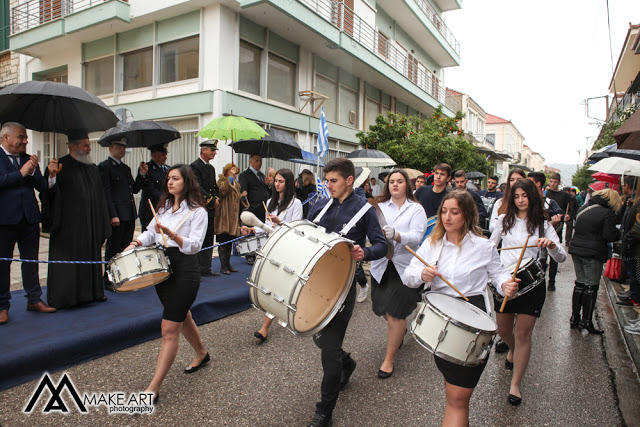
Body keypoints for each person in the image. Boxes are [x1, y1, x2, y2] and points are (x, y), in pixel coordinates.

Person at [403, 191, 518, 426]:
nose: (447, 217)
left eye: (454, 212)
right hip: (442, 320)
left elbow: (498, 274)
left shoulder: (484, 246)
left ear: (466, 215)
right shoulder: (432, 243)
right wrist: (421, 273)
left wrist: (506, 284)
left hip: (473, 324)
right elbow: (409, 275)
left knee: (457, 398)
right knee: (453, 395)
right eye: (444, 211)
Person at [306, 158, 387, 427]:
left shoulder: (365, 210)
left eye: (333, 180)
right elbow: (305, 234)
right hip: (316, 282)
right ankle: (347, 362)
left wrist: (365, 252)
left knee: (328, 350)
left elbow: (381, 245)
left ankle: (324, 412)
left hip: (343, 287)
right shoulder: (320, 205)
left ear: (349, 180)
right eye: (326, 180)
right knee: (318, 338)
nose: (327, 185)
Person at [123, 165, 209, 403]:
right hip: (163, 269)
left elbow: (194, 245)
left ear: (186, 182)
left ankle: (153, 388)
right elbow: (150, 233)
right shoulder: (162, 207)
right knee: (181, 317)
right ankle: (202, 353)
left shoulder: (198, 211)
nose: (170, 182)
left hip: (186, 268)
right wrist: (136, 243)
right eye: (168, 179)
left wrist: (172, 235)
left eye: (175, 178)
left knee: (169, 328)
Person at [489, 179, 566, 405]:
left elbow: (561, 256)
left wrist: (552, 246)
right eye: (516, 196)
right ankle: (512, 349)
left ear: (532, 197)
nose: (521, 200)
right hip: (505, 282)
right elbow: (491, 248)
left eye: (525, 195)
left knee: (523, 334)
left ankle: (515, 384)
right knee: (503, 330)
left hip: (532, 284)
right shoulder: (503, 220)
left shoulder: (543, 224)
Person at [43, 129, 112, 308]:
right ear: (72, 146)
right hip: (69, 227)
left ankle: (92, 294)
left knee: (91, 257)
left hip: (90, 225)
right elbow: (48, 194)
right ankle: (68, 298)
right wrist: (51, 176)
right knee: (69, 263)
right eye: (85, 145)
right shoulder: (59, 166)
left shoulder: (92, 168)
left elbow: (100, 197)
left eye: (89, 145)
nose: (89, 148)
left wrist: (103, 222)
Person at [369, 169, 427, 378]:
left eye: (399, 181)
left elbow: (417, 237)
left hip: (404, 266)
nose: (395, 184)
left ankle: (389, 360)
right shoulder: (380, 207)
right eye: (391, 181)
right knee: (381, 308)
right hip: (381, 264)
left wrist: (399, 235)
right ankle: (399, 331)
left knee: (395, 313)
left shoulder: (416, 209)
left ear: (407, 185)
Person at [0, 122, 57, 324]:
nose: (25, 141)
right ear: (6, 138)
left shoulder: (28, 160)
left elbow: (42, 187)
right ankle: (2, 306)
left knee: (31, 261)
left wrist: (50, 175)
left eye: (25, 137)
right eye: (21, 137)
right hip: (4, 221)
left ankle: (34, 299)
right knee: (3, 264)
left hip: (30, 219)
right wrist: (22, 173)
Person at [251, 168, 304, 344]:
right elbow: (266, 226)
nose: (277, 184)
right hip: (271, 247)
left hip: (286, 248)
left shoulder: (296, 203)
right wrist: (252, 229)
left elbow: (297, 229)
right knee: (271, 284)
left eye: (281, 181)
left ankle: (265, 326)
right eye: (276, 181)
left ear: (288, 183)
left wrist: (280, 222)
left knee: (278, 285)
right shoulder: (270, 201)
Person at [568, 189, 622, 334]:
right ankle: (587, 321)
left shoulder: (584, 208)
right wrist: (620, 232)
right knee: (591, 287)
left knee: (579, 283)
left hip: (576, 250)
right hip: (592, 253)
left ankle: (575, 318)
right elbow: (608, 235)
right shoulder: (607, 213)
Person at [99, 139, 146, 288]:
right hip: (117, 215)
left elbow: (134, 189)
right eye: (119, 146)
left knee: (126, 248)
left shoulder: (125, 168)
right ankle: (108, 278)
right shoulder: (105, 167)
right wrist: (112, 214)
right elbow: (106, 192)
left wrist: (141, 174)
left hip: (129, 214)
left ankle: (124, 277)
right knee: (113, 248)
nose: (122, 150)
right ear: (110, 148)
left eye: (124, 147)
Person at [190, 140, 220, 277]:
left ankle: (206, 267)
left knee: (209, 237)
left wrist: (217, 197)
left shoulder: (211, 168)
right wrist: (211, 200)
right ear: (204, 150)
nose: (214, 153)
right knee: (199, 238)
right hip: (200, 207)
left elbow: (213, 187)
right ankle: (196, 269)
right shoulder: (194, 167)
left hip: (210, 209)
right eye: (212, 150)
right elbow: (197, 187)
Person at [215, 163, 247, 275]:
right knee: (223, 241)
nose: (234, 175)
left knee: (229, 241)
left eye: (235, 173)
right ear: (227, 172)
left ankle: (228, 264)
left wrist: (242, 198)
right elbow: (223, 191)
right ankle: (223, 266)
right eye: (232, 172)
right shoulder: (221, 182)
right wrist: (230, 180)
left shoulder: (237, 185)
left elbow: (238, 201)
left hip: (233, 219)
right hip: (224, 217)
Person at [238, 154, 270, 265]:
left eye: (260, 161)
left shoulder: (261, 175)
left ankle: (258, 252)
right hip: (252, 208)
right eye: (257, 161)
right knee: (250, 231)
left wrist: (267, 185)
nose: (259, 163)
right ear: (251, 162)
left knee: (260, 231)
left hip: (262, 209)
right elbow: (243, 192)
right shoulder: (245, 175)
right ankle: (249, 255)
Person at [545, 173, 572, 290]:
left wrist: (568, 216)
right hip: (545, 225)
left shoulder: (565, 195)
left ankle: (552, 281)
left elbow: (571, 209)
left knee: (554, 252)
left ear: (559, 182)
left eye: (555, 182)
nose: (552, 184)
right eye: (551, 181)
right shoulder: (545, 194)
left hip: (557, 227)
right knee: (542, 254)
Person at [138, 144, 170, 231]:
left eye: (166, 154)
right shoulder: (147, 169)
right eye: (162, 154)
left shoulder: (168, 169)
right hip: (151, 211)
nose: (165, 157)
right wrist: (166, 200)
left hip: (165, 209)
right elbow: (150, 190)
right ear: (153, 155)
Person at [489, 169, 527, 234]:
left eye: (519, 179)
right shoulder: (500, 203)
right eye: (512, 180)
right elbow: (492, 227)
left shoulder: (529, 202)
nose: (515, 182)